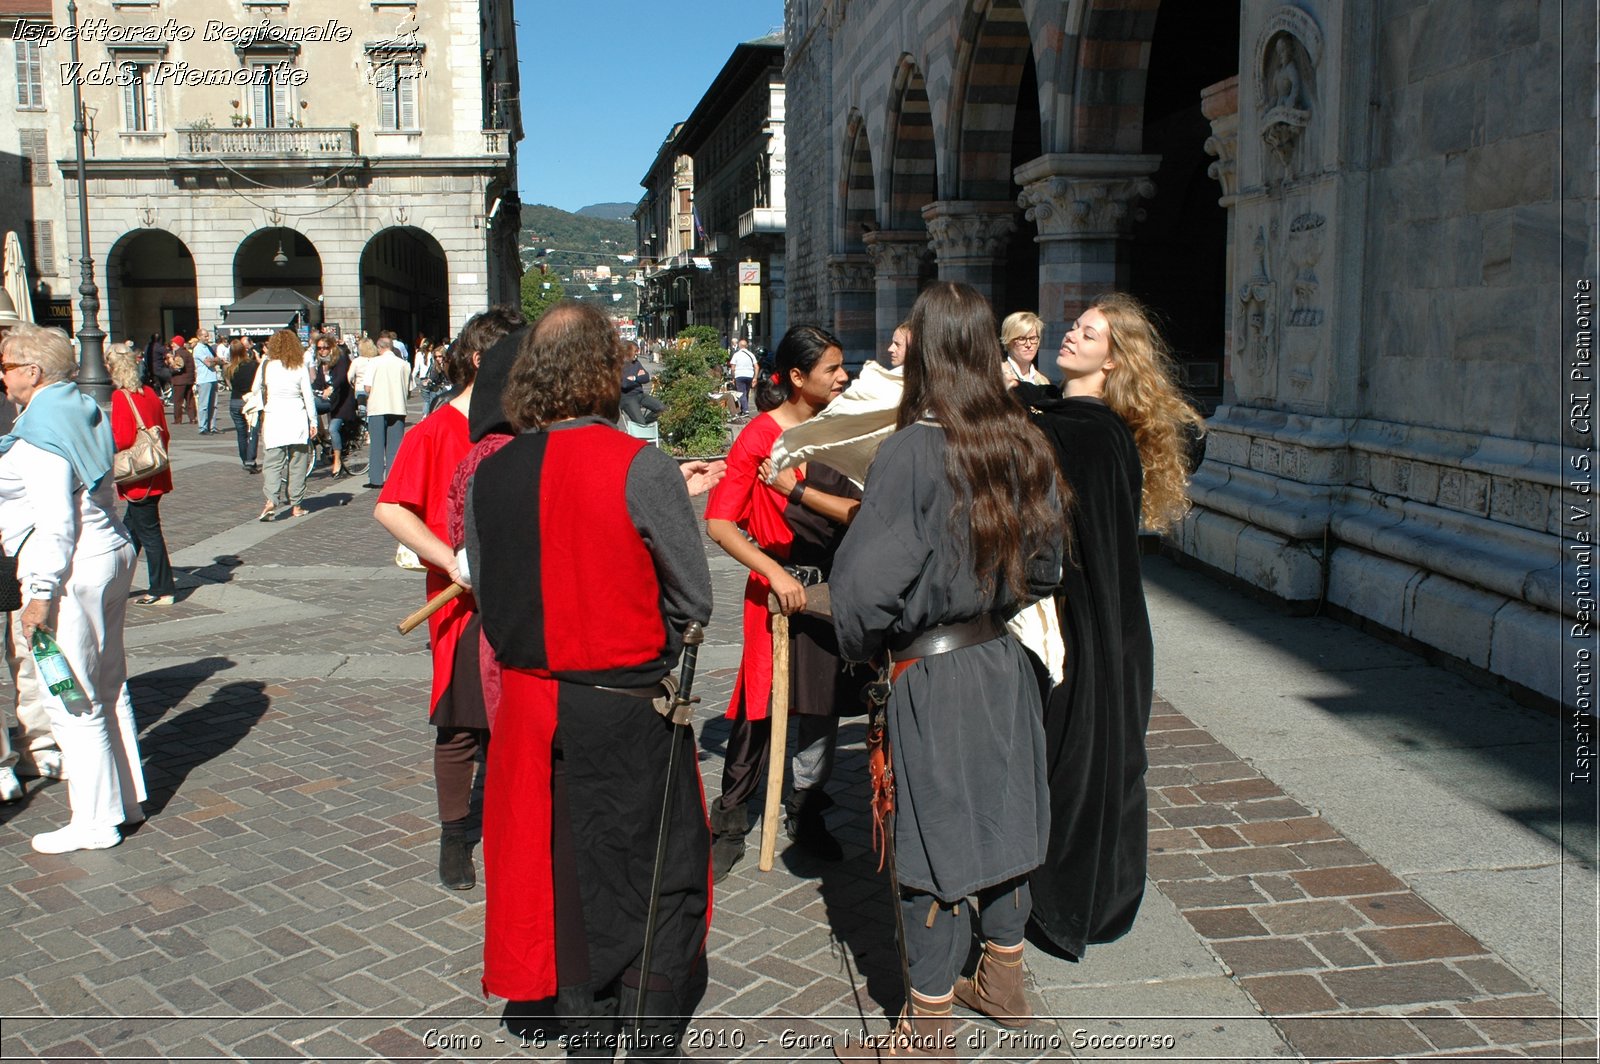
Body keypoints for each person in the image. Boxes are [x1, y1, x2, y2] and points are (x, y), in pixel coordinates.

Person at [464, 300, 713, 1057]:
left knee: (564, 873)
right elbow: (695, 598)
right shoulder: (642, 465)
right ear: (607, 370)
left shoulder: (491, 472)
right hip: (623, 705)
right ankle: (645, 1028)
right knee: (656, 869)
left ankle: (586, 1028)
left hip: (533, 710)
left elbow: (483, 584)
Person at [827, 282, 1066, 1059]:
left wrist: (864, 642)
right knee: (1000, 820)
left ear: (926, 353)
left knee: (931, 850)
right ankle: (1004, 981)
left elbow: (862, 593)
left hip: (933, 673)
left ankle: (925, 1036)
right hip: (1005, 659)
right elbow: (1051, 566)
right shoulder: (1025, 438)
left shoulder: (911, 452)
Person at [1014, 293, 1204, 961]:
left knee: (1080, 764)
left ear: (1114, 357)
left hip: (1091, 629)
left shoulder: (1088, 433)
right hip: (1097, 624)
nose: (1069, 337)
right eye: (1074, 327)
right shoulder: (1061, 417)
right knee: (1078, 760)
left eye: (1087, 333)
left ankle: (1066, 902)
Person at [703, 325, 862, 880]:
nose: (844, 376)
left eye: (843, 366)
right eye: (832, 369)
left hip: (829, 590)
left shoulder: (843, 429)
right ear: (797, 378)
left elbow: (859, 511)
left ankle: (807, 808)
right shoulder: (759, 436)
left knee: (821, 703)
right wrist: (773, 574)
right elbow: (720, 522)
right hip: (772, 591)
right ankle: (729, 819)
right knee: (759, 703)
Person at [375, 305, 522, 891]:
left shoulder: (521, 429)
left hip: (520, 601)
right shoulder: (433, 431)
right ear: (484, 360)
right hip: (459, 606)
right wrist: (450, 559)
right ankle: (455, 834)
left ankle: (517, 820)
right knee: (462, 725)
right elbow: (390, 508)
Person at [0, 323, 147, 852]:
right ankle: (124, 801)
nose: (3, 375)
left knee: (72, 698)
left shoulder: (41, 428)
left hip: (70, 568)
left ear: (33, 371)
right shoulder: (81, 406)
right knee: (107, 687)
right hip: (109, 553)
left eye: (7, 366)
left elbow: (57, 521)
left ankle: (95, 820)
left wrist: (39, 595)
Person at [107, 343, 176, 607]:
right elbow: (164, 432)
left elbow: (123, 439)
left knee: (149, 534)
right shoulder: (149, 393)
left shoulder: (121, 397)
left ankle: (162, 588)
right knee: (130, 533)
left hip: (138, 476)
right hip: (154, 470)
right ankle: (117, 582)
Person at [248, 329, 319, 521]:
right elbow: (308, 397)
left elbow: (255, 389)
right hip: (296, 416)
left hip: (274, 417)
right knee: (298, 462)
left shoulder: (266, 365)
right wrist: (313, 421)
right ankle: (296, 504)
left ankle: (271, 500)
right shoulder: (299, 367)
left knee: (272, 463)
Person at [363, 337, 411, 489]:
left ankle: (376, 479)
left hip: (378, 407)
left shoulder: (374, 362)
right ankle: (393, 479)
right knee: (395, 447)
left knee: (377, 445)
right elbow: (409, 388)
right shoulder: (404, 364)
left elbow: (367, 388)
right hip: (398, 407)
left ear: (379, 348)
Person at [316, 335, 357, 479]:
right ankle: (322, 441)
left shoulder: (340, 358)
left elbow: (340, 378)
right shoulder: (321, 363)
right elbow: (317, 381)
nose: (322, 351)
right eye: (319, 348)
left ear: (331, 347)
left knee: (333, 429)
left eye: (325, 348)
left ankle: (337, 461)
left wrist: (331, 388)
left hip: (343, 402)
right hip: (331, 402)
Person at [225, 339, 261, 473]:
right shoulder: (252, 365)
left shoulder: (229, 368)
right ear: (244, 350)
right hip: (249, 400)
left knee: (241, 433)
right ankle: (250, 461)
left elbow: (230, 386)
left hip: (234, 401)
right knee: (252, 431)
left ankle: (245, 459)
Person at [619, 340, 665, 426]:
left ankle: (645, 424)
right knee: (640, 423)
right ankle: (642, 426)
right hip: (628, 398)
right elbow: (624, 384)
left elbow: (646, 378)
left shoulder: (636, 363)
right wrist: (638, 378)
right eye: (635, 351)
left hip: (640, 394)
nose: (637, 354)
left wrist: (634, 378)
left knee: (662, 409)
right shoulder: (619, 365)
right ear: (628, 351)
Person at [999, 311, 1050, 387]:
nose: (1029, 345)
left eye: (1033, 338)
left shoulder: (1044, 382)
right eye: (1022, 339)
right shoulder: (997, 375)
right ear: (1009, 341)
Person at [192, 328, 222, 433]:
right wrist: (215, 360)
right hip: (204, 379)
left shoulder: (208, 347)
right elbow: (208, 363)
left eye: (207, 336)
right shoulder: (198, 349)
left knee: (214, 405)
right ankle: (202, 427)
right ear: (199, 337)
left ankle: (212, 426)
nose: (207, 338)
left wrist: (215, 360)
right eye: (205, 336)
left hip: (213, 377)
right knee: (204, 405)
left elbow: (217, 359)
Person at [166, 337, 196, 424]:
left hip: (179, 381)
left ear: (178, 344)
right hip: (189, 380)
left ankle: (178, 419)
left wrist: (171, 364)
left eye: (174, 343)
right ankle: (193, 418)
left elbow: (178, 367)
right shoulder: (187, 353)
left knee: (178, 401)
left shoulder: (179, 354)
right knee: (190, 400)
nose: (172, 345)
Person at [729, 337, 757, 416]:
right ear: (746, 346)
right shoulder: (751, 355)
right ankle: (743, 409)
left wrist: (733, 377)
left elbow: (733, 368)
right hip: (749, 375)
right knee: (746, 393)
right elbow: (756, 366)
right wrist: (755, 377)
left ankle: (745, 410)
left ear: (739, 345)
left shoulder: (736, 355)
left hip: (739, 375)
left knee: (741, 393)